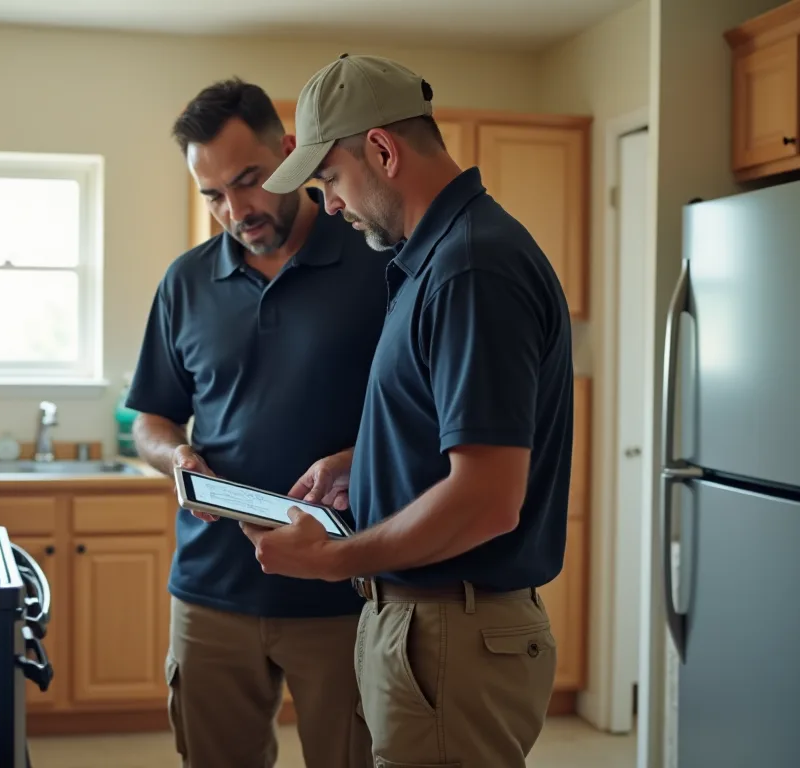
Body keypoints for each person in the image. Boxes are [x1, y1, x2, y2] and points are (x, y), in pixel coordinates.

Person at [244, 54, 575, 768]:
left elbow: (487, 499)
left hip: (453, 631)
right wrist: (364, 466)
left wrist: (334, 559)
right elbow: (462, 436)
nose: (329, 205)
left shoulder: (472, 268)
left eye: (330, 178)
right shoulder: (437, 260)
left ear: (383, 151)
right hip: (430, 629)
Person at [124, 78, 390, 768]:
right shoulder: (185, 283)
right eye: (212, 195)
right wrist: (175, 457)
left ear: (291, 153)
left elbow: (424, 412)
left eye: (249, 180)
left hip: (345, 588)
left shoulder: (377, 259)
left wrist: (359, 457)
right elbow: (149, 419)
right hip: (212, 591)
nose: (235, 209)